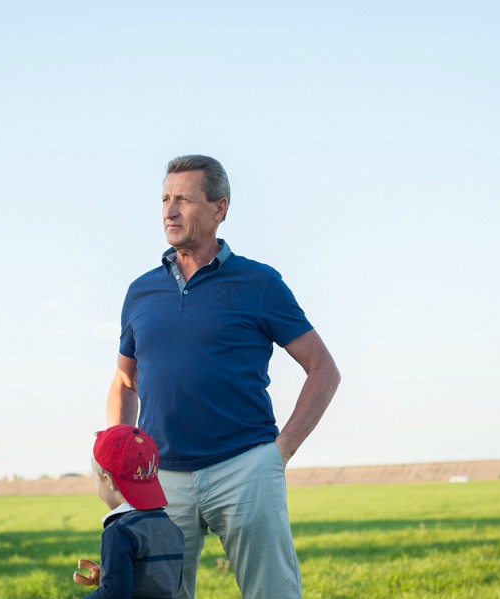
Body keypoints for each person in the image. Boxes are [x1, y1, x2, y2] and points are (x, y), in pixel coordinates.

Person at [106, 155, 341, 599]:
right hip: (160, 479)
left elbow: (323, 369)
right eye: (165, 199)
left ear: (219, 208)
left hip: (245, 467)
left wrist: (280, 452)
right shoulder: (140, 291)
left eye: (184, 199)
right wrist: (120, 459)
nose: (170, 211)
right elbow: (124, 381)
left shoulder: (259, 282)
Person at [73, 424, 184, 599]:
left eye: (96, 478)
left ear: (108, 481)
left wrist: (110, 584)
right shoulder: (171, 527)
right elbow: (164, 582)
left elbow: (114, 593)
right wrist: (111, 575)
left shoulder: (119, 531)